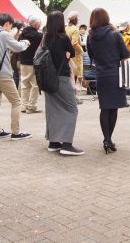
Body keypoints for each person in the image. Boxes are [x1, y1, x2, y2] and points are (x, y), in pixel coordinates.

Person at [86, 8, 130, 153]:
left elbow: (91, 55)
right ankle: (108, 139)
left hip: (101, 74)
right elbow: (126, 54)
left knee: (105, 108)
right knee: (114, 108)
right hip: (115, 74)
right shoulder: (115, 35)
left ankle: (107, 139)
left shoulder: (90, 37)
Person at [42, 11, 84, 155]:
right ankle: (67, 144)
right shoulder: (62, 37)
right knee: (72, 109)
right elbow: (71, 53)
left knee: (52, 109)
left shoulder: (45, 38)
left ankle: (53, 142)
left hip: (47, 78)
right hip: (62, 77)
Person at [0, 13, 32, 141]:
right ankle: (16, 132)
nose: (10, 28)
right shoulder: (3, 34)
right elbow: (17, 47)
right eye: (10, 26)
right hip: (3, 74)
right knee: (16, 102)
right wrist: (25, 42)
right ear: (7, 24)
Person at [18, 16, 43, 114]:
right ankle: (31, 106)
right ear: (36, 24)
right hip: (34, 62)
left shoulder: (22, 34)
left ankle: (23, 106)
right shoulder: (39, 35)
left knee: (24, 84)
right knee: (35, 85)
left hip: (23, 62)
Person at [65, 11, 84, 85]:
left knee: (70, 74)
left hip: (67, 53)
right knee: (75, 74)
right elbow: (74, 43)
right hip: (75, 54)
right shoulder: (75, 29)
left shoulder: (66, 28)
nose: (78, 20)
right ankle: (73, 94)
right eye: (78, 18)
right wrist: (81, 50)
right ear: (75, 19)